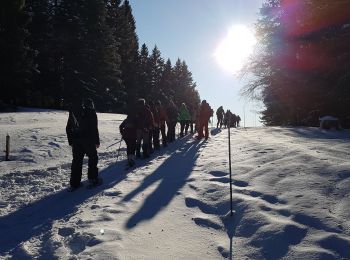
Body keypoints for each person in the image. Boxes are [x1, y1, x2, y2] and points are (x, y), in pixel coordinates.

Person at [66, 98, 101, 190]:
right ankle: (93, 179)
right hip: (88, 140)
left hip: (76, 140)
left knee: (77, 161)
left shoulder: (74, 113)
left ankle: (74, 183)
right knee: (93, 158)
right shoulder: (91, 112)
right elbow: (94, 128)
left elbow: (68, 128)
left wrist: (71, 141)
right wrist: (96, 141)